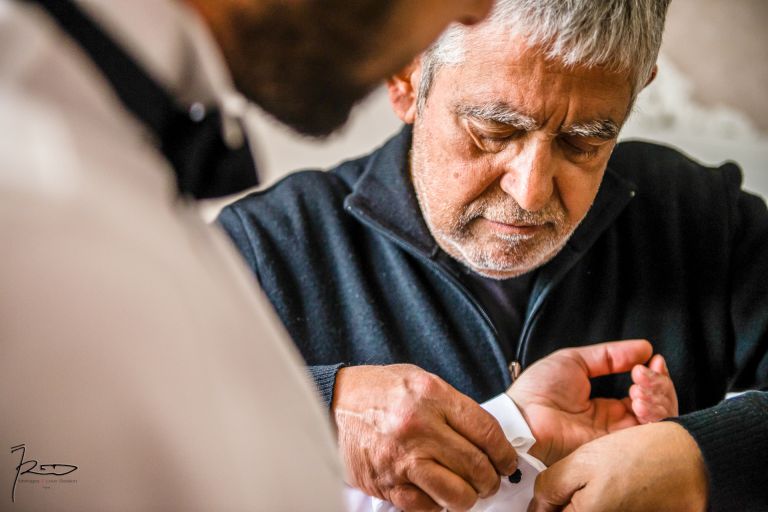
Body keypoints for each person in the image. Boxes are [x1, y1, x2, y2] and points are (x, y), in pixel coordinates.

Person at [218, 0, 768, 510]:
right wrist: (319, 410)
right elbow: (137, 431)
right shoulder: (266, 249)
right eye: (494, 131)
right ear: (407, 77)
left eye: (583, 142)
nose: (530, 192)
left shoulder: (699, 217)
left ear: (634, 93)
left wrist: (702, 458)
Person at [0, 0, 499, 510]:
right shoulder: (26, 221)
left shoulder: (121, 155)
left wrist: (510, 424)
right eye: (494, 133)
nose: (479, 10)